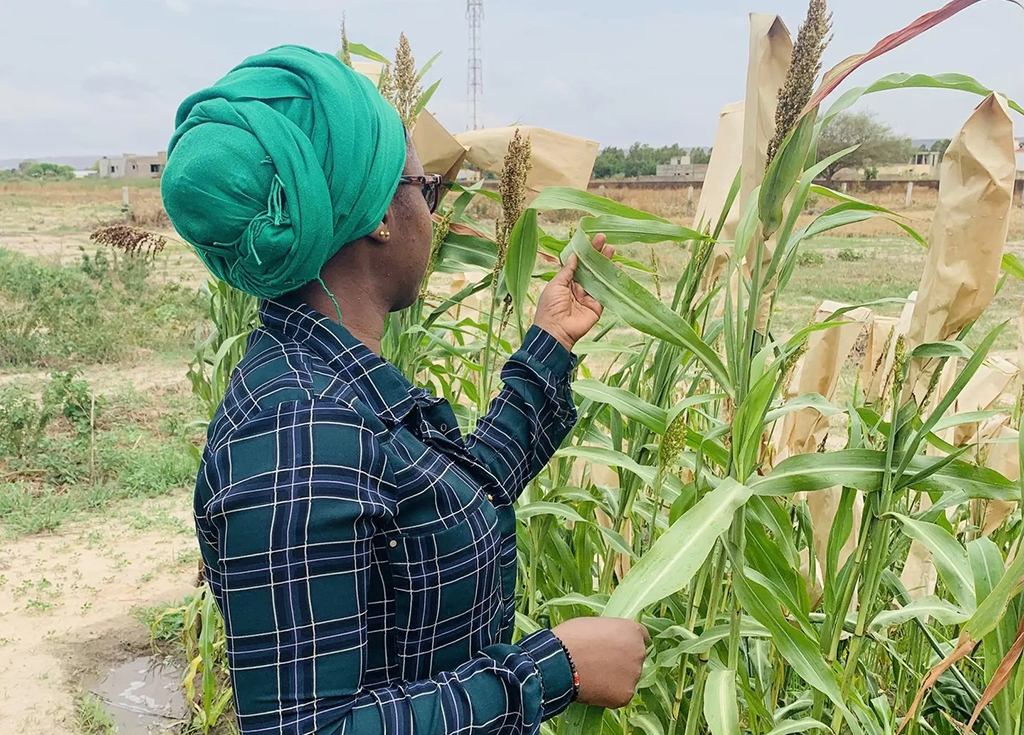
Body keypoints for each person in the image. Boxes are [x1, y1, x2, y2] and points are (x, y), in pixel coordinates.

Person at [161, 45, 648, 735]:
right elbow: (308, 729)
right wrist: (551, 668)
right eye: (428, 190)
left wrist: (549, 345)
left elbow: (439, 510)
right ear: (382, 217)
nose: (435, 214)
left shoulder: (332, 388)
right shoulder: (298, 429)